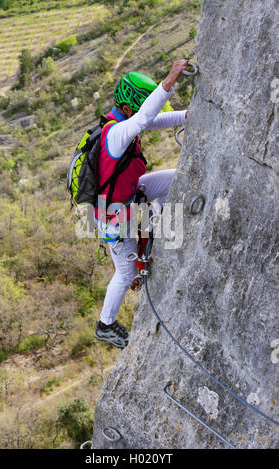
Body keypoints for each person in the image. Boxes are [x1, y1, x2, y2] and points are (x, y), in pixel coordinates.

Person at [94, 59, 189, 349]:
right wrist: (169, 81)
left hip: (129, 196)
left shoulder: (122, 123)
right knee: (126, 274)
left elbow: (153, 120)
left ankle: (158, 224)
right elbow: (145, 118)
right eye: (135, 110)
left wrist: (190, 114)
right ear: (126, 109)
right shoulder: (117, 133)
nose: (139, 115)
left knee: (176, 178)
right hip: (113, 217)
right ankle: (105, 324)